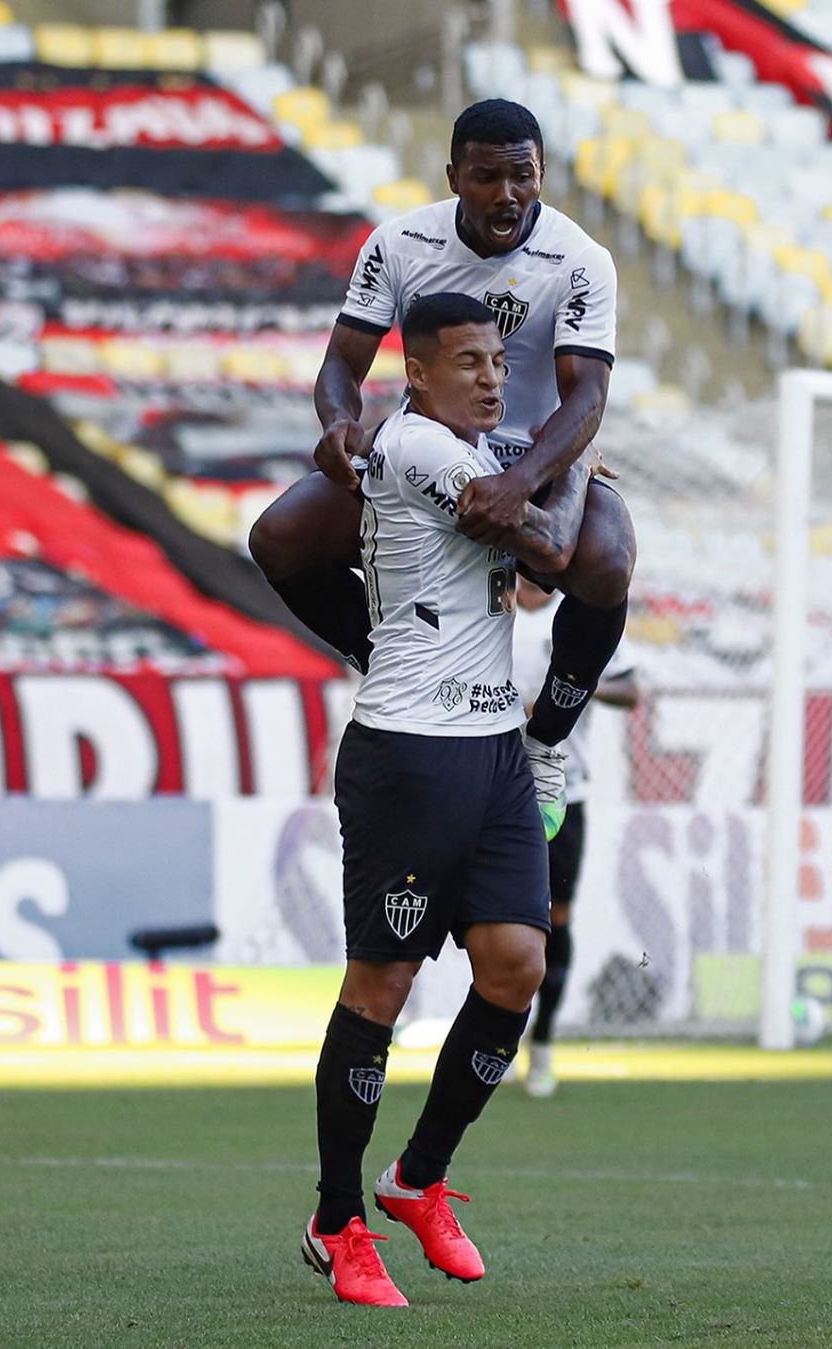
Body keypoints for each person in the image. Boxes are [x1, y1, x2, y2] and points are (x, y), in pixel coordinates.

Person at [297, 293, 610, 1307]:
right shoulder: (423, 447)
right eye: (466, 360)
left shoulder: (481, 450)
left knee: (517, 964)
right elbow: (554, 551)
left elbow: (540, 536)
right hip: (408, 753)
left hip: (492, 752)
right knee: (379, 989)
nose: (489, 376)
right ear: (417, 374)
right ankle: (338, 1216)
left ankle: (416, 1178)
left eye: (496, 360)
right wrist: (575, 476)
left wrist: (553, 474)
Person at [249, 98, 636, 840]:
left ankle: (547, 740)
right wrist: (338, 425)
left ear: (542, 173)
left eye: (521, 176)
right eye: (486, 176)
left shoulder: (580, 259)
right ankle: (383, 654)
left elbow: (587, 395)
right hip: (423, 453)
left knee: (608, 563)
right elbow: (341, 365)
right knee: (278, 540)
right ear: (454, 174)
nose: (506, 195)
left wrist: (521, 482)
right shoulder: (399, 242)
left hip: (538, 454)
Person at [512, 575, 639, 1096]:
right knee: (491, 921)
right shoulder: (488, 600)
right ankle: (494, 1040)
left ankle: (541, 1044)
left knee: (554, 920)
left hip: (564, 793)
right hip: (491, 788)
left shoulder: (581, 612)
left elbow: (630, 689)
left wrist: (574, 686)